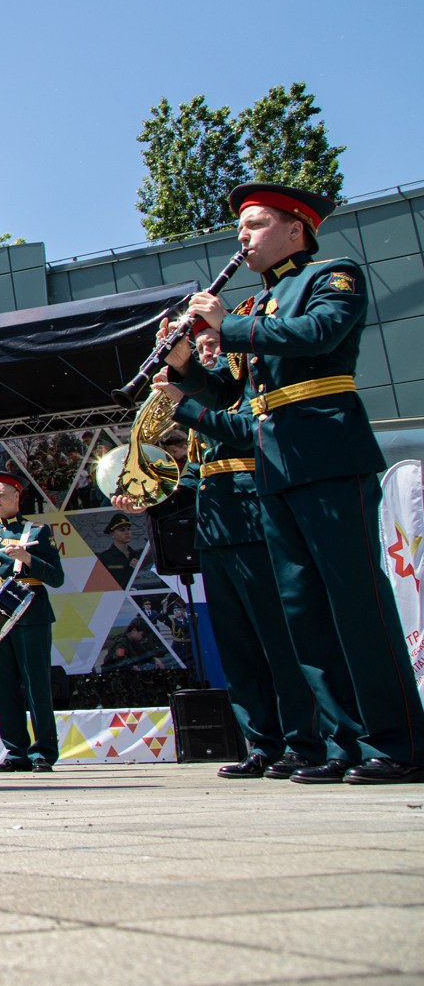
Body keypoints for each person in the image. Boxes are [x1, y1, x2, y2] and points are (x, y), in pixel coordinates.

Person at [175, 181, 424, 785]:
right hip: (274, 466)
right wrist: (184, 371)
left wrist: (224, 327)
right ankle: (343, 743)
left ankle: (399, 742)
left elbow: (318, 336)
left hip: (328, 454)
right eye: (241, 228)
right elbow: (242, 396)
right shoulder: (256, 307)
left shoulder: (332, 275)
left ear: (296, 228)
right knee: (303, 613)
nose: (244, 236)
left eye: (256, 224)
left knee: (355, 603)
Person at [119, 373, 325, 780]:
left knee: (276, 644)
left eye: (212, 348)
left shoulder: (243, 395)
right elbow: (196, 475)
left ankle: (303, 742)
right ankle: (263, 744)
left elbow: (249, 439)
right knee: (237, 649)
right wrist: (146, 494)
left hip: (254, 526)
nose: (206, 356)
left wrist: (186, 404)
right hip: (213, 534)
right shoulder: (203, 410)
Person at [0, 471, 65, 772]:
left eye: (1, 494)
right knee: (4, 686)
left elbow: (56, 577)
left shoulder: (36, 531)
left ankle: (43, 752)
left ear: (17, 495)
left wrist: (28, 559)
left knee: (35, 683)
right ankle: (15, 751)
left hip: (29, 614)